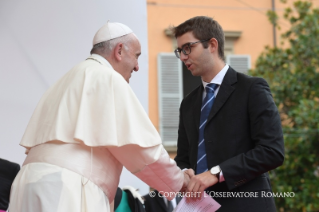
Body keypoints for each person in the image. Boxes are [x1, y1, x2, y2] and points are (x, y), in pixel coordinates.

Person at [9, 22, 189, 212]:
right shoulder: (108, 78)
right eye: (136, 57)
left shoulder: (63, 80)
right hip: (67, 189)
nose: (137, 67)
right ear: (119, 51)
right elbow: (142, 150)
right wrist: (179, 180)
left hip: (27, 184)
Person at [173, 16, 285, 211]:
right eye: (180, 51)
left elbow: (272, 151)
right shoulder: (188, 104)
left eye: (188, 48)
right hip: (198, 207)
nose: (183, 56)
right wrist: (184, 174)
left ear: (212, 44)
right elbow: (183, 158)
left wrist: (216, 173)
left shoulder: (252, 89)